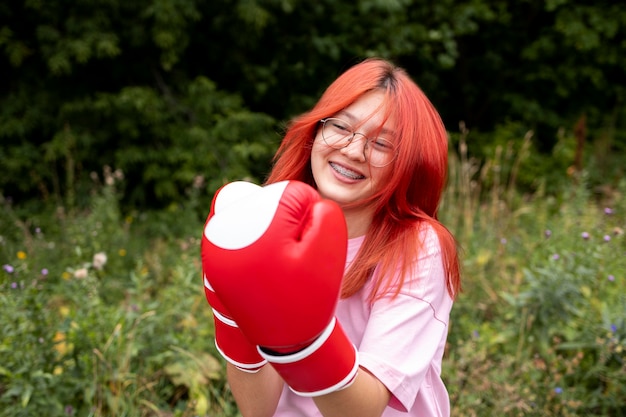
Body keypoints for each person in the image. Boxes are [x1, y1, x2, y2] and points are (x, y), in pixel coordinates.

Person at [202, 57, 461, 417]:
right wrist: (230, 316)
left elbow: (362, 410)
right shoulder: (275, 225)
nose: (354, 151)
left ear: (408, 163)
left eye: (382, 145)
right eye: (341, 127)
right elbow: (258, 409)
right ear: (315, 130)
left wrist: (306, 340)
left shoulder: (418, 247)